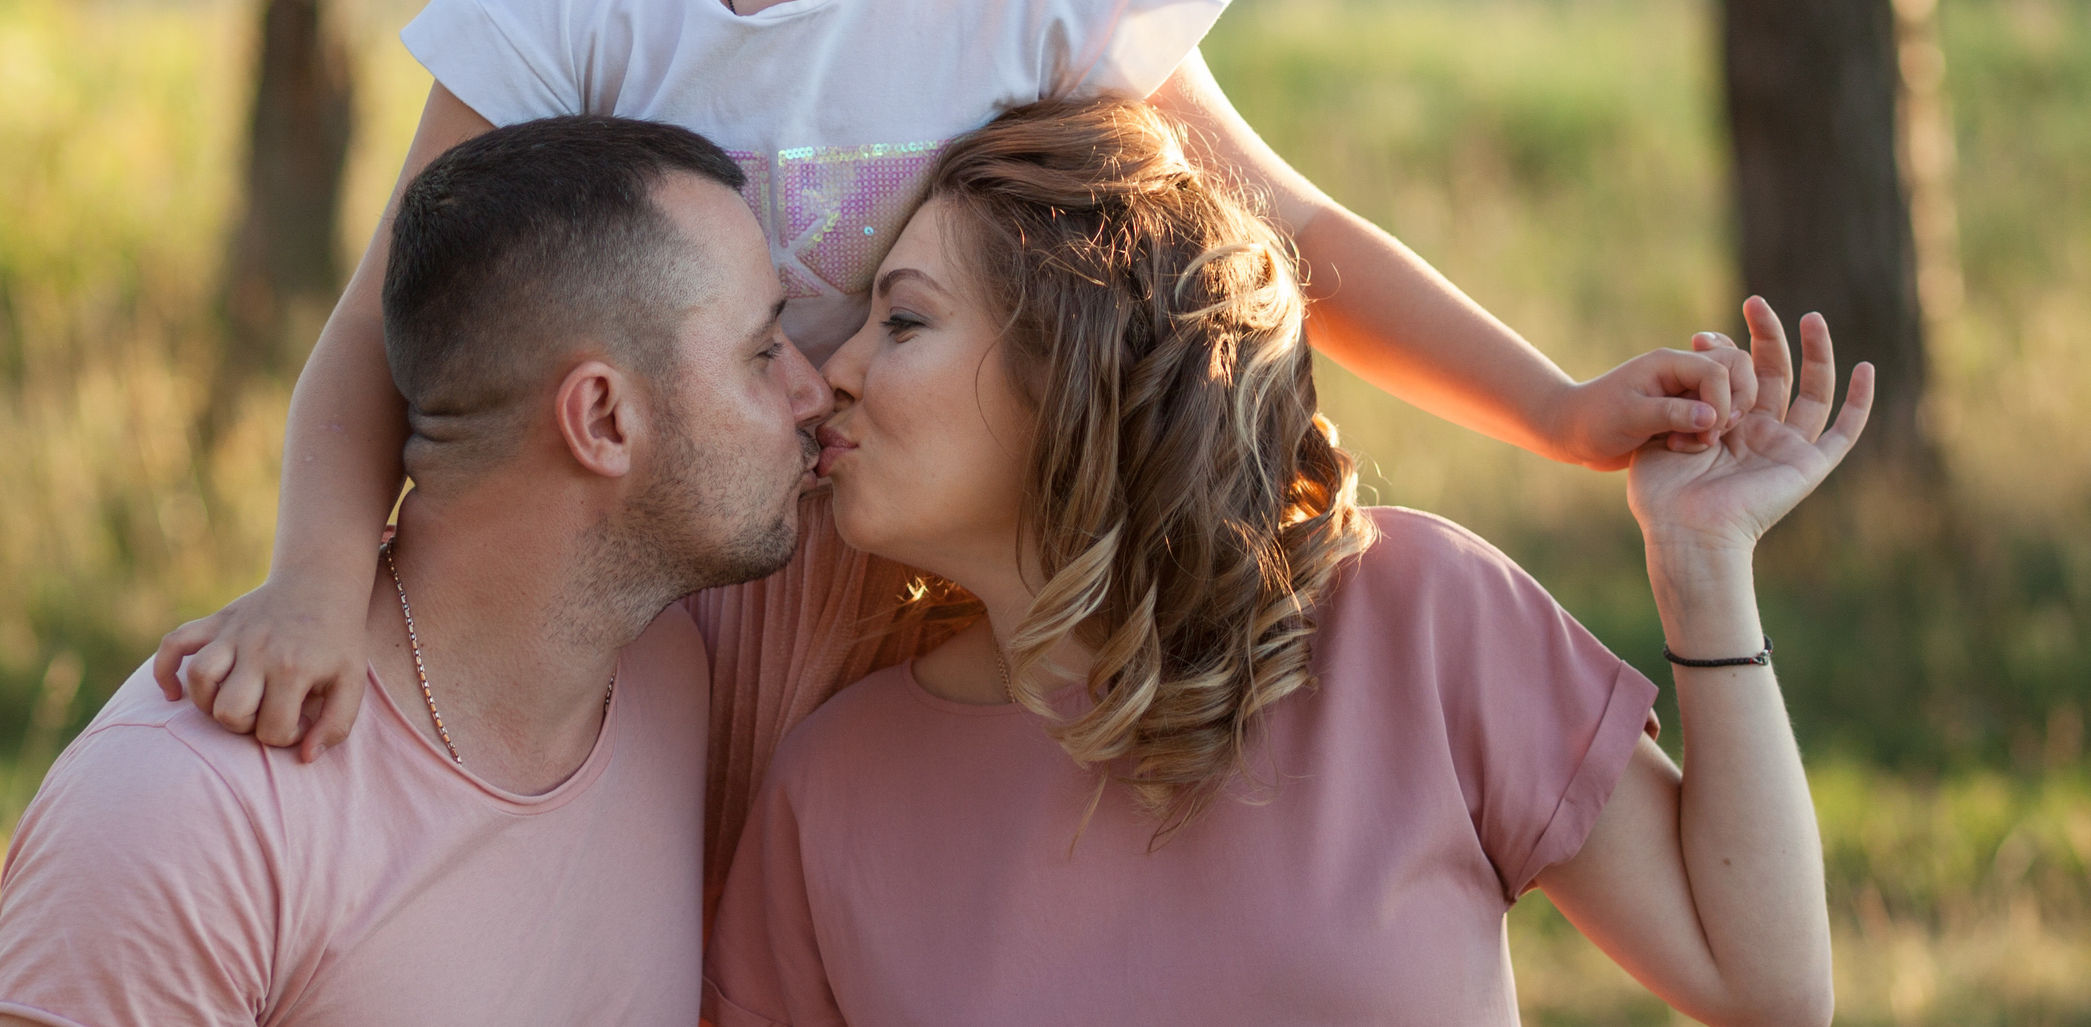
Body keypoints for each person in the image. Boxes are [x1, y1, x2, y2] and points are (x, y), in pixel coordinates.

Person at [153, 0, 1743, 912]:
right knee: (658, 938)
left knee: (889, 933)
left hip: (950, 602)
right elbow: (386, 318)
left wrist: (1559, 410)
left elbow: (1288, 230)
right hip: (662, 587)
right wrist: (312, 581)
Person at [707, 98, 1867, 1027]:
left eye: (901, 322)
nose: (829, 375)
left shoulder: (1415, 617)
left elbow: (1759, 986)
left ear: (1076, 368)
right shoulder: (830, 794)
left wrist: (1702, 566)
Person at [0, 117, 829, 1026]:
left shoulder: (673, 681)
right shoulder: (183, 814)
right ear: (604, 420)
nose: (813, 389)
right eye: (764, 350)